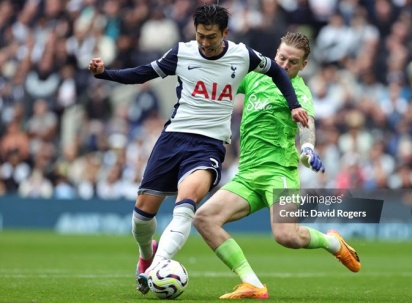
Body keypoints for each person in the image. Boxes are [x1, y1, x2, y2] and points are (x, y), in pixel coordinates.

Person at [87, 4, 309, 295]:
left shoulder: (243, 55)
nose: (204, 42)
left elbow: (278, 74)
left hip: (209, 145)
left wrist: (294, 104)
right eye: (201, 35)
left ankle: (156, 271)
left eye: (211, 37)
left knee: (186, 205)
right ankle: (147, 256)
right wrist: (106, 74)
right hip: (173, 138)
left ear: (225, 33)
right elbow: (143, 73)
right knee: (141, 217)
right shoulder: (182, 52)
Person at [193, 32, 361, 300]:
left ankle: (333, 243)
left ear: (303, 66)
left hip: (279, 173)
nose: (283, 65)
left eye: (292, 62)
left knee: (286, 236)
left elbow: (307, 127)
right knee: (204, 218)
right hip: (247, 175)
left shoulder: (300, 92)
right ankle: (253, 284)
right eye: (281, 57)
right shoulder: (256, 75)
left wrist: (307, 150)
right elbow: (224, 80)